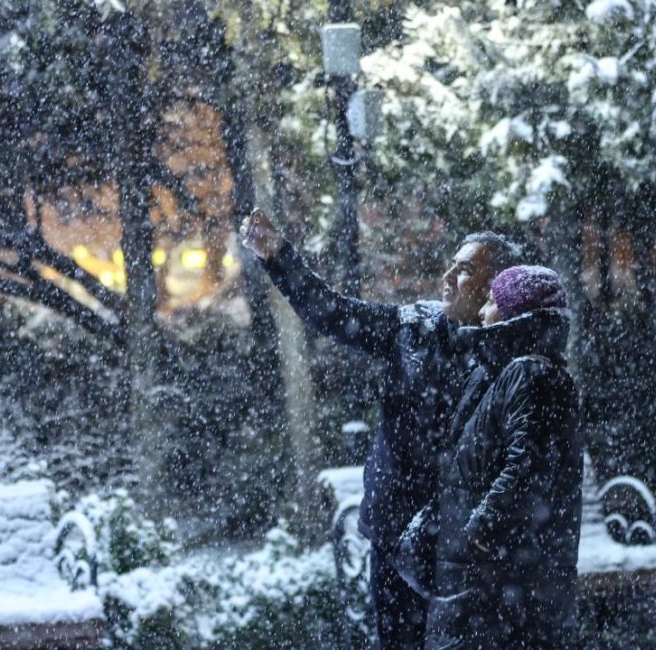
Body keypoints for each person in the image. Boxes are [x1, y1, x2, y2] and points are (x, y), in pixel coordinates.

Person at [239, 208, 521, 648]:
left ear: (494, 285)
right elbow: (330, 312)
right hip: (395, 533)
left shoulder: (508, 356)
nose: (447, 276)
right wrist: (278, 256)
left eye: (465, 270)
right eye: (451, 263)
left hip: (464, 545)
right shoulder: (412, 327)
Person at [405, 265, 582, 650]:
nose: (483, 309)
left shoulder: (528, 371)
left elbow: (529, 464)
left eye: (491, 301)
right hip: (487, 578)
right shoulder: (505, 371)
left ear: (513, 313)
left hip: (494, 580)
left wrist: (481, 532)